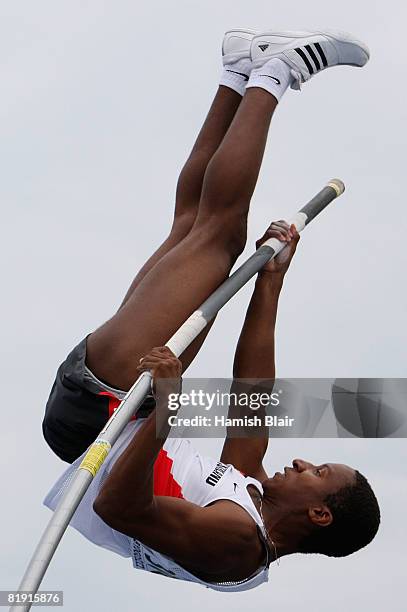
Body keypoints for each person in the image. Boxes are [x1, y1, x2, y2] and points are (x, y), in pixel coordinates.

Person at [42, 28, 380, 591]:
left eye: (318, 474)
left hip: (106, 411)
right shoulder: (248, 489)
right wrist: (270, 283)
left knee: (219, 237)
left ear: (319, 514)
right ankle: (237, 72)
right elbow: (253, 393)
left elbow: (119, 508)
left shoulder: (237, 546)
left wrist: (169, 407)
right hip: (117, 405)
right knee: (192, 228)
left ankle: (276, 73)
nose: (302, 465)